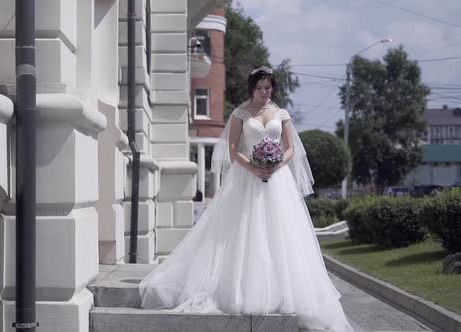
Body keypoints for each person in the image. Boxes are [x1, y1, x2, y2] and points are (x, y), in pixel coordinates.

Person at [138, 65, 354, 332]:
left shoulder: (281, 114)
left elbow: (290, 149)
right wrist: (253, 166)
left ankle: (284, 292)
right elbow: (232, 149)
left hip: (277, 182)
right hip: (246, 181)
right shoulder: (240, 113)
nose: (265, 92)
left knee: (280, 234)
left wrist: (275, 164)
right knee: (245, 232)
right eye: (260, 88)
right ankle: (243, 290)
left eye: (268, 87)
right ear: (252, 89)